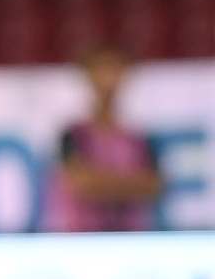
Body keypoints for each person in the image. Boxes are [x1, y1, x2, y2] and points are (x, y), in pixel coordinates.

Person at [47, 45, 161, 232]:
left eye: (115, 70)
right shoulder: (72, 134)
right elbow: (80, 184)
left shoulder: (140, 138)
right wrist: (132, 186)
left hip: (131, 242)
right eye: (101, 69)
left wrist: (100, 183)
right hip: (82, 242)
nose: (108, 80)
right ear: (88, 76)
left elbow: (155, 186)